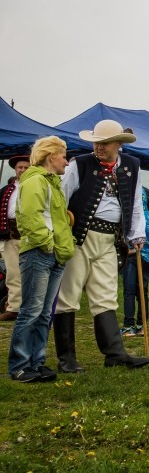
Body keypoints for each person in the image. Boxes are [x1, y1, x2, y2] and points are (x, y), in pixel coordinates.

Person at [54, 120, 149, 372]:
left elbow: (136, 204)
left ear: (118, 144)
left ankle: (114, 353)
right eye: (96, 143)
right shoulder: (79, 164)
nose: (99, 147)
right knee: (68, 296)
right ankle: (66, 359)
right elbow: (59, 200)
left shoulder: (132, 166)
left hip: (110, 240)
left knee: (106, 296)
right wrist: (59, 235)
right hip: (79, 238)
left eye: (105, 143)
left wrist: (136, 233)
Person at [8, 137, 74, 382]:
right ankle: (20, 365)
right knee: (31, 311)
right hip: (39, 252)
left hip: (54, 253)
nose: (66, 162)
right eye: (63, 156)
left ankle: (37, 362)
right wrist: (47, 244)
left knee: (45, 313)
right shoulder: (36, 181)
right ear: (51, 156)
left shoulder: (50, 182)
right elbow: (30, 217)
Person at [120, 186, 149, 336]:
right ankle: (142, 325)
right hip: (144, 258)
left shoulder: (128, 217)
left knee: (129, 291)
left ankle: (129, 325)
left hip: (131, 257)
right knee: (142, 291)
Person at [0, 155, 30, 321]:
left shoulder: (38, 186)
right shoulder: (6, 190)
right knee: (13, 274)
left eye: (26, 167)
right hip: (11, 237)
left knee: (32, 274)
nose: (22, 170)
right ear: (15, 169)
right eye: (20, 167)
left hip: (31, 238)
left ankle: (32, 309)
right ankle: (14, 308)